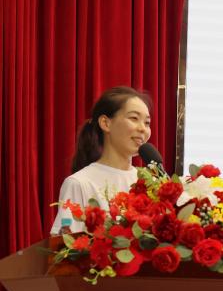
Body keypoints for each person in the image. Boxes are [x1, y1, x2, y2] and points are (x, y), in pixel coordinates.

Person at [50, 86, 153, 234]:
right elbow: (65, 244)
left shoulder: (149, 182)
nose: (143, 128)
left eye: (147, 123)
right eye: (134, 118)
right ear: (105, 123)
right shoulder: (79, 183)